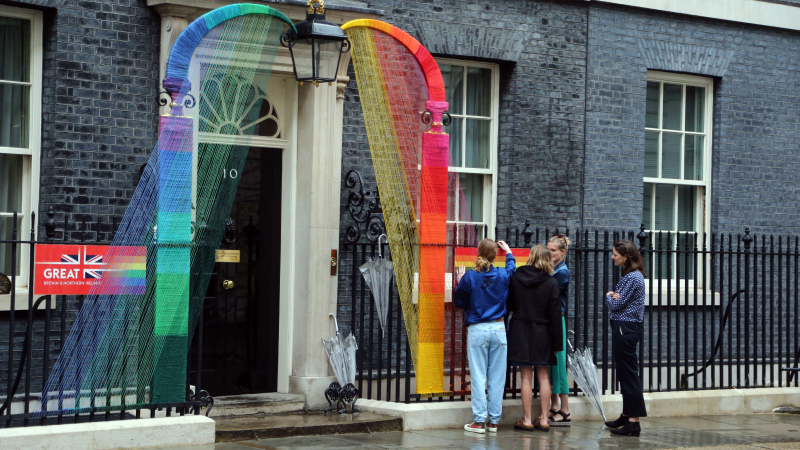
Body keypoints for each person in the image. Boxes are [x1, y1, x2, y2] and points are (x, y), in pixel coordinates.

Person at [454, 239, 516, 434]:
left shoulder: (470, 276)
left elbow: (459, 301)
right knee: (498, 377)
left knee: (479, 376)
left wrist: (459, 279)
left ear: (478, 253)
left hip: (478, 329)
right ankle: (494, 422)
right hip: (498, 329)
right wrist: (508, 252)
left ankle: (479, 421)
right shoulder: (501, 274)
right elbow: (512, 269)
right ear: (494, 254)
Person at [507, 244, 562, 432]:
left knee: (525, 378)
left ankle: (528, 420)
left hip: (521, 329)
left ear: (530, 257)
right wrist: (557, 343)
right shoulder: (552, 283)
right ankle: (545, 420)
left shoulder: (516, 278)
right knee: (544, 377)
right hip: (543, 332)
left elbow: (511, 304)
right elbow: (555, 315)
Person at [604, 240, 647, 437]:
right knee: (624, 373)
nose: (612, 257)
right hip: (625, 327)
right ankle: (627, 415)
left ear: (626, 256)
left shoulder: (632, 278)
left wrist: (609, 295)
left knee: (629, 375)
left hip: (625, 328)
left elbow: (616, 304)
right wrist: (613, 295)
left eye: (615, 254)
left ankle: (633, 423)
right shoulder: (631, 276)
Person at [547, 235, 572, 427]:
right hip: (547, 320)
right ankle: (554, 405)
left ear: (563, 252)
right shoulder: (552, 269)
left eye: (553, 250)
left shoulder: (562, 272)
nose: (549, 252)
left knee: (559, 363)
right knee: (549, 364)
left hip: (556, 320)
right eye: (548, 249)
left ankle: (565, 410)